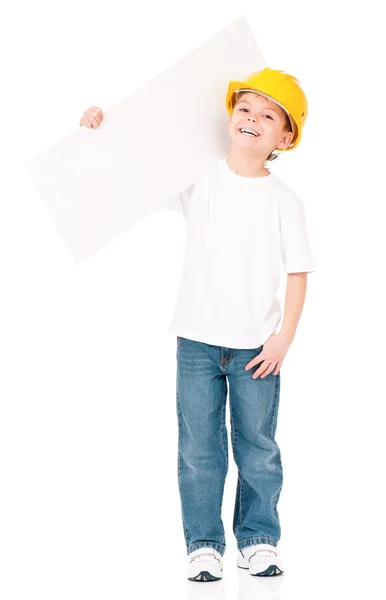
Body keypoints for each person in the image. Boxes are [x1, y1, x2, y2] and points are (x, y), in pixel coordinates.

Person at [79, 67, 317, 581]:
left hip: (258, 348)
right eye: (245, 109)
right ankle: (203, 543)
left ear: (285, 135)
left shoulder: (285, 201)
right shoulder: (201, 180)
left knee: (258, 449)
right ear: (231, 116)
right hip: (197, 344)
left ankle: (258, 540)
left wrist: (284, 339)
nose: (252, 119)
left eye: (267, 114)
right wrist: (96, 133)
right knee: (198, 450)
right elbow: (134, 177)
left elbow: (298, 273)